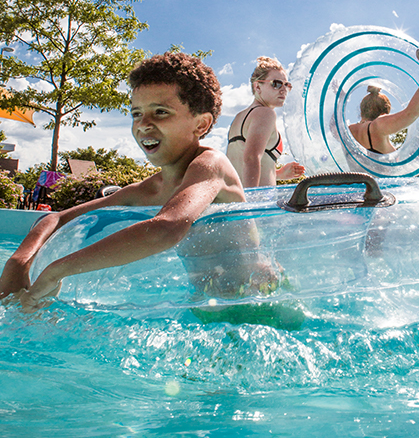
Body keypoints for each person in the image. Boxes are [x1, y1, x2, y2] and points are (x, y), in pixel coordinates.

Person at [0, 52, 271, 312]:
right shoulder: (150, 189)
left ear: (201, 125)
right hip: (207, 303)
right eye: (136, 113)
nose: (143, 124)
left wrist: (57, 270)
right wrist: (18, 261)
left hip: (256, 298)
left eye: (161, 112)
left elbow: (166, 228)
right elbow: (55, 219)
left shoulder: (211, 165)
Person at [226, 56, 305, 187]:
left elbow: (239, 166)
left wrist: (279, 174)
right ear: (257, 87)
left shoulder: (239, 117)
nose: (283, 89)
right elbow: (251, 158)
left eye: (287, 85)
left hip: (234, 200)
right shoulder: (265, 113)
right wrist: (251, 202)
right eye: (276, 83)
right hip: (254, 202)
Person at [348, 53, 419, 154]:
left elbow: (333, 123)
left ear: (361, 109)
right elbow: (410, 114)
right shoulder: (378, 126)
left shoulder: (348, 131)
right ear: (384, 114)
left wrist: (340, 96)